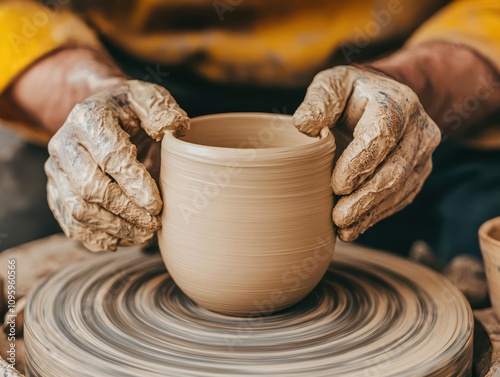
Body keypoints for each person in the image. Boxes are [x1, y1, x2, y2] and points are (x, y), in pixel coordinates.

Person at [0, 0, 499, 262]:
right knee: (18, 242)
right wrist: (85, 91)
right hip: (132, 85)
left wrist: (417, 81)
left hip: (401, 82)